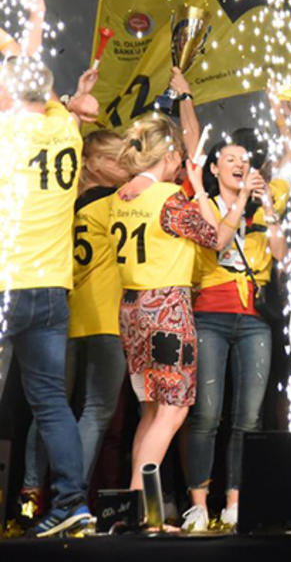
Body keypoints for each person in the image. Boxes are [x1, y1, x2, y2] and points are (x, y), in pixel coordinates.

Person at [0, 55, 100, 537]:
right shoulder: (65, 132)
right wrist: (71, 96)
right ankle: (72, 502)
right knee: (51, 402)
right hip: (53, 288)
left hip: (8, 285)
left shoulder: (9, 132)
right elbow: (60, 102)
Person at [111, 116, 231, 497]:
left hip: (131, 306)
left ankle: (135, 500)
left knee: (150, 409)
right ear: (167, 155)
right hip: (166, 307)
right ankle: (139, 502)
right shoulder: (169, 197)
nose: (180, 163)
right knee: (173, 409)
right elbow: (215, 237)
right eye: (178, 156)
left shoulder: (122, 195)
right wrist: (199, 187)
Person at [20, 131, 129, 521]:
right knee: (95, 412)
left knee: (49, 408)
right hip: (105, 316)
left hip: (63, 314)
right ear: (92, 163)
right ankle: (71, 500)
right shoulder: (119, 203)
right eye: (116, 158)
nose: (125, 166)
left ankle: (29, 498)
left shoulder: (61, 205)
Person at [183, 134, 287, 531]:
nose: (240, 165)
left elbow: (280, 254)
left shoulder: (260, 208)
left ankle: (235, 501)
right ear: (214, 168)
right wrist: (241, 199)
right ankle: (198, 504)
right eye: (230, 159)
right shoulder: (203, 204)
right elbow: (217, 241)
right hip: (211, 313)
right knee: (207, 414)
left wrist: (268, 206)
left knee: (249, 416)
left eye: (245, 160)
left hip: (254, 318)